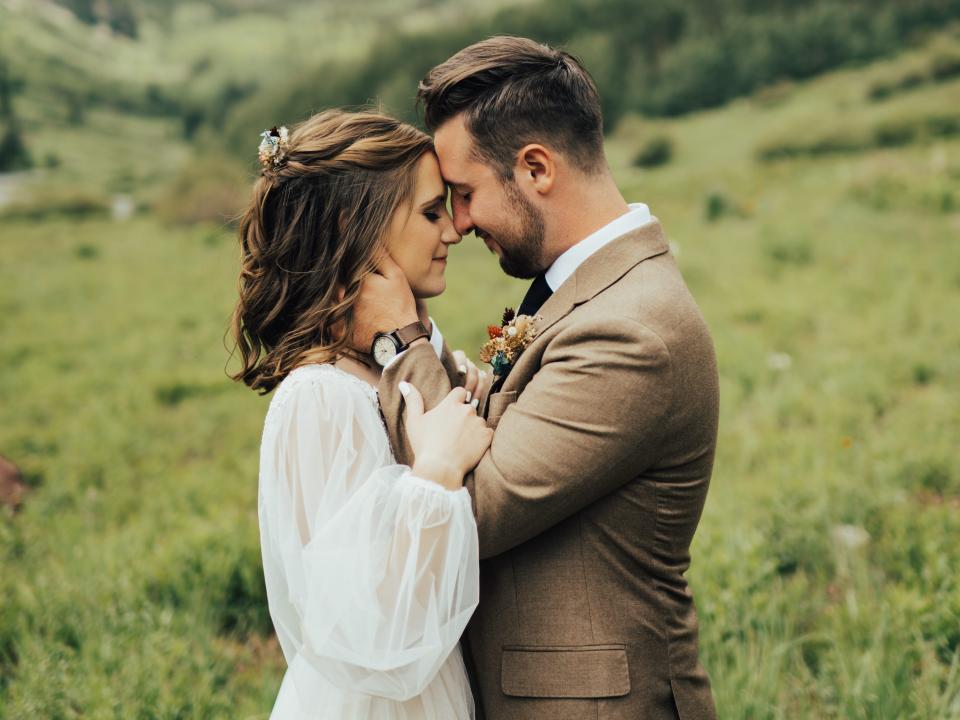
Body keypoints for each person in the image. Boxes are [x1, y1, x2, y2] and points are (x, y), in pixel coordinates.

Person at [357, 36, 721, 719]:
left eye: (465, 194)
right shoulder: (583, 289)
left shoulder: (634, 329)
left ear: (535, 168)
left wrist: (400, 336)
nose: (459, 225)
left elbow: (473, 508)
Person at [230, 109, 493, 719]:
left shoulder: (396, 360)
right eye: (431, 212)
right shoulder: (319, 398)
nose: (453, 230)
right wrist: (436, 473)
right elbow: (363, 631)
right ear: (358, 226)